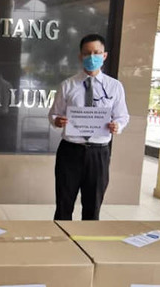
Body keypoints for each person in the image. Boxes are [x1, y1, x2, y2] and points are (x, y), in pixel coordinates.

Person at [49, 34, 129, 220]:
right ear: (80, 56)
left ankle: (88, 244)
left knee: (93, 206)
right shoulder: (67, 85)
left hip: (98, 153)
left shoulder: (115, 87)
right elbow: (53, 114)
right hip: (70, 151)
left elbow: (122, 116)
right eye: (87, 53)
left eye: (96, 53)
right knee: (63, 203)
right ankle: (63, 243)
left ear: (104, 55)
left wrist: (117, 126)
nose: (92, 57)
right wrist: (57, 121)